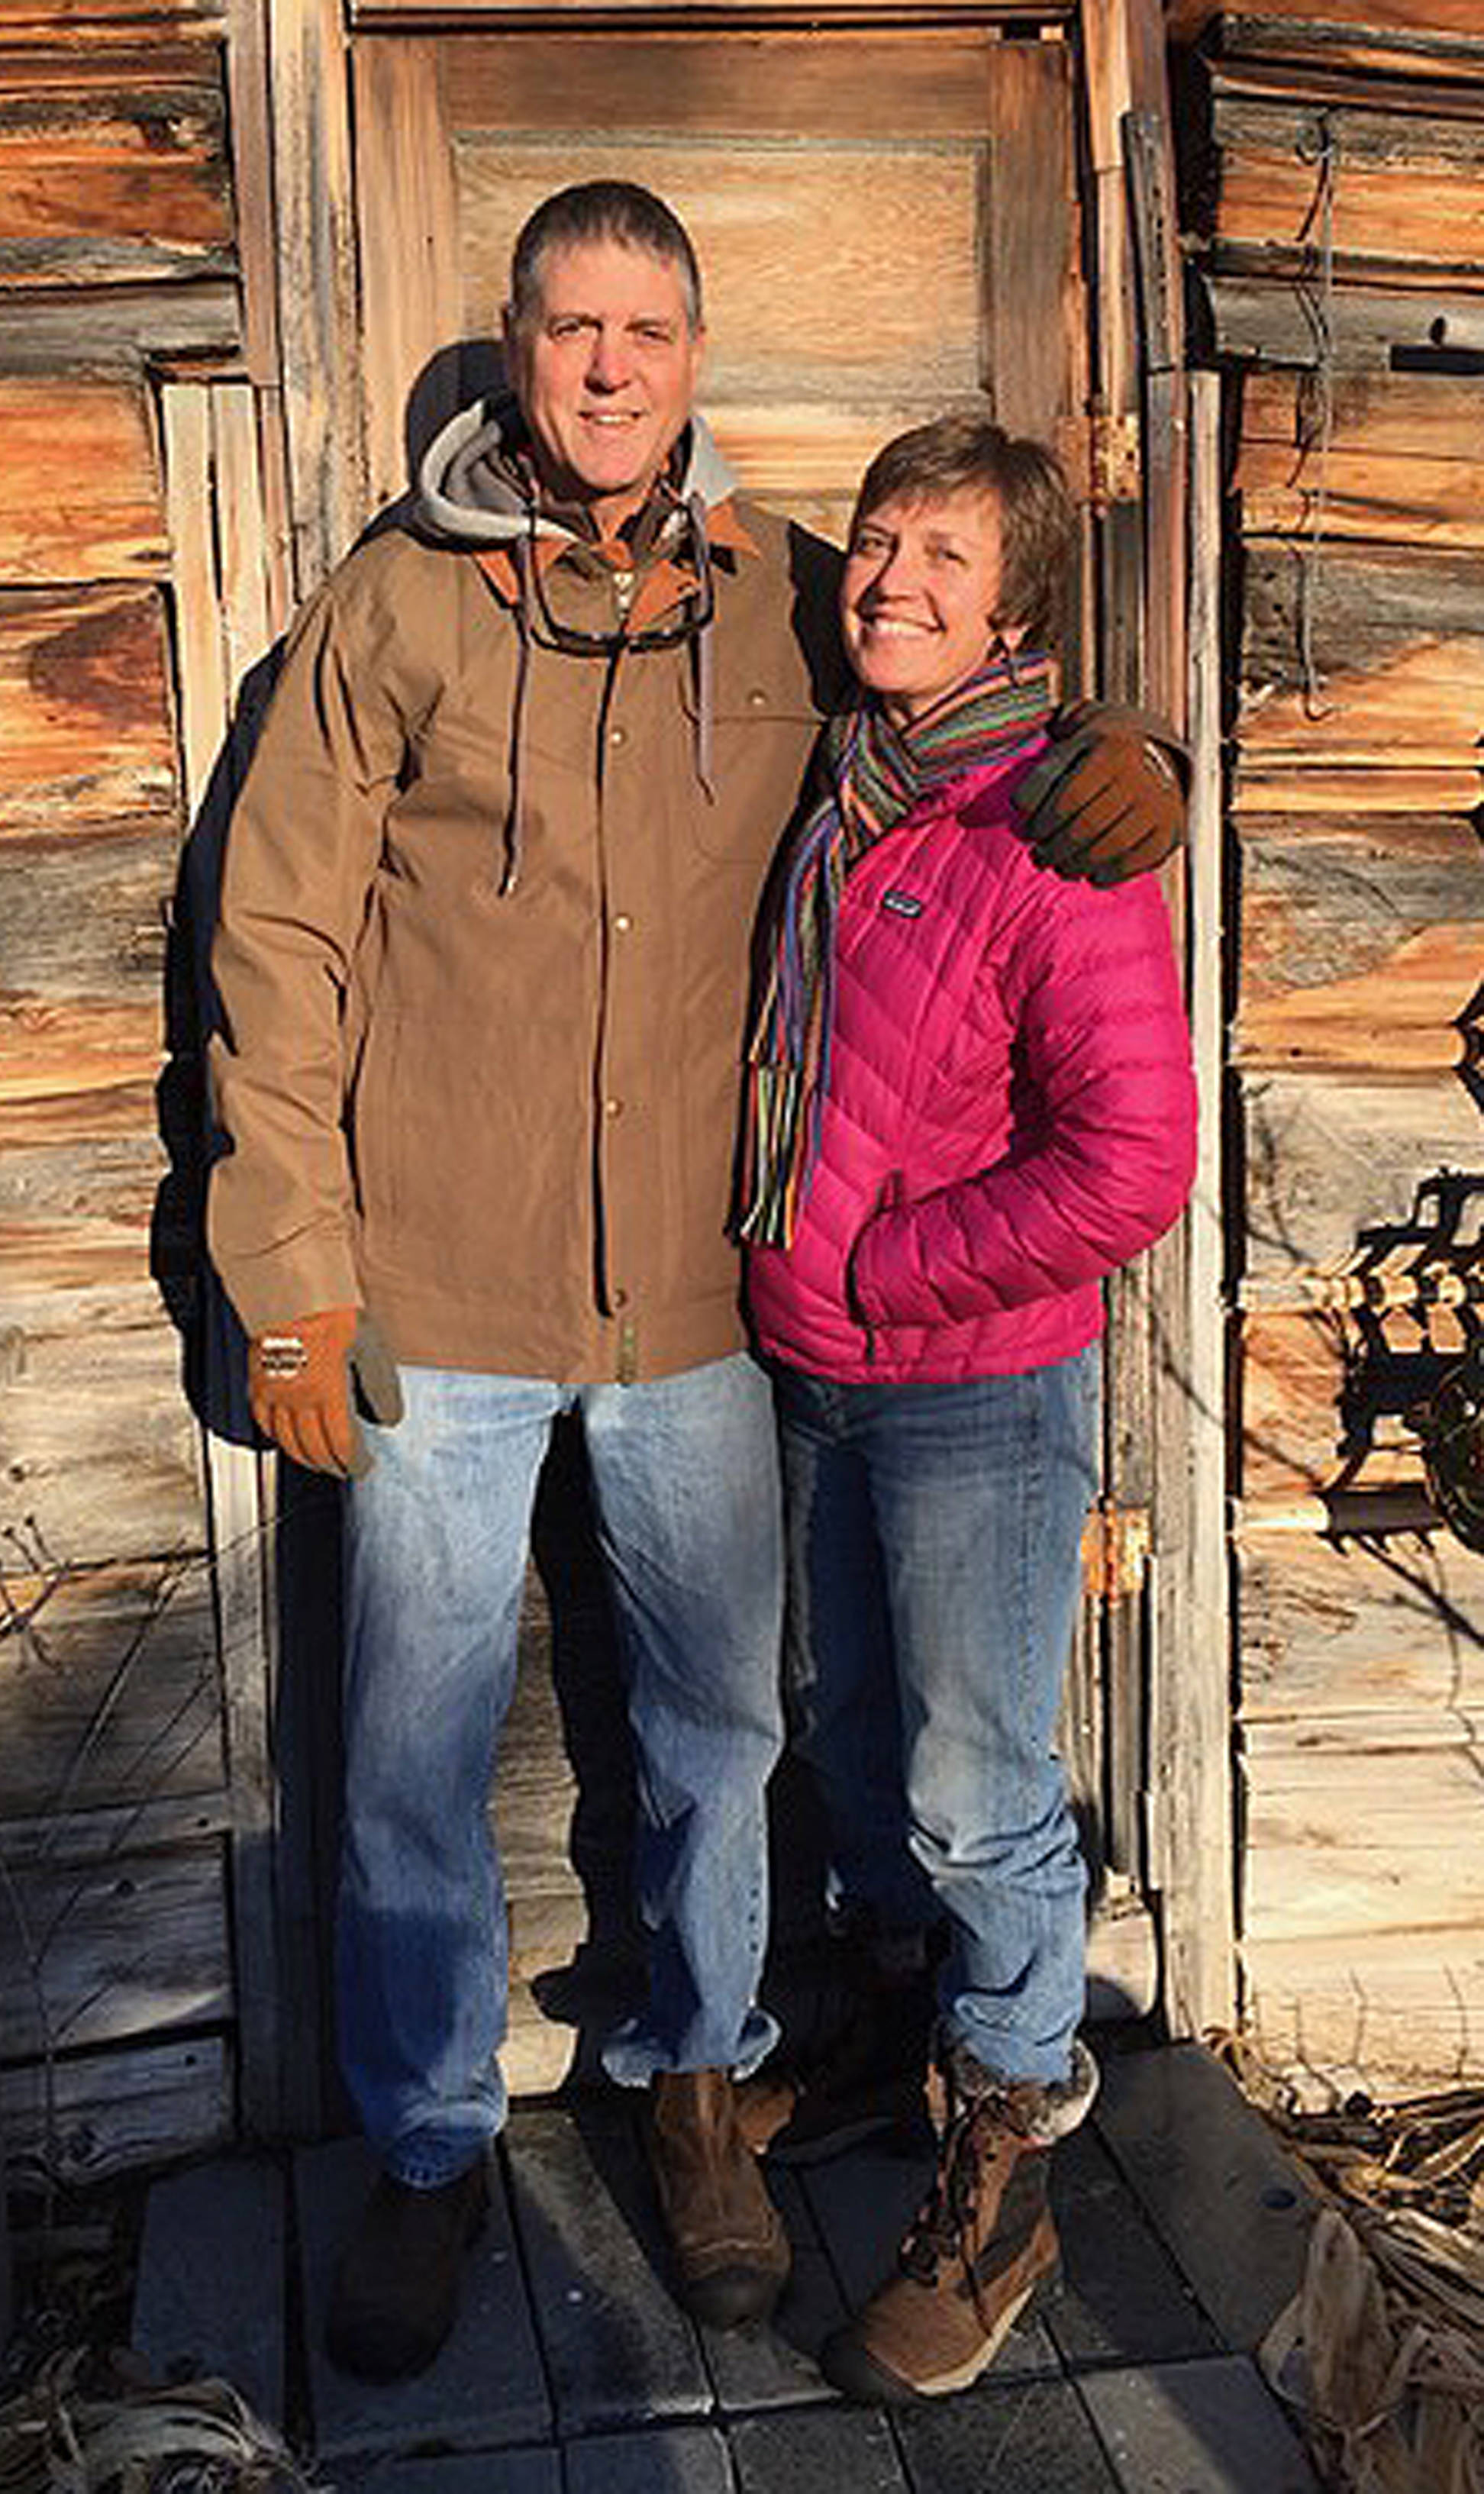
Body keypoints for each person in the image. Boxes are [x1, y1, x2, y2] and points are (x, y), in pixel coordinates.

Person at [206, 181, 1187, 2386]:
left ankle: (701, 2073)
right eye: (574, 327)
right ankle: (436, 2146)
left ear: (698, 352)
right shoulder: (398, 604)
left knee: (723, 1729)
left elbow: (981, 674)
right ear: (517, 344)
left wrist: (1145, 754)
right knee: (410, 1744)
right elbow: (270, 936)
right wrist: (287, 1271)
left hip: (700, 1300)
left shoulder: (777, 596)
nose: (614, 366)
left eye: (651, 328)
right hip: (438, 1293)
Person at [739, 415, 1198, 2402]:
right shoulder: (850, 780)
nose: (889, 576)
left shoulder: (1056, 826)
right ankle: (894, 2022)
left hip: (973, 1394)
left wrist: (889, 1268)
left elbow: (1135, 1160)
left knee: (971, 1782)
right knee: (849, 1734)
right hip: (809, 1373)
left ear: (1013, 603)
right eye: (873, 539)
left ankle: (1007, 2153)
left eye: (939, 552)